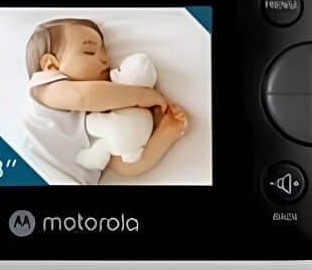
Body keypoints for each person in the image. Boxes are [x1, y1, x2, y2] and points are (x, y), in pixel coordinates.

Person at [21, 17, 188, 185]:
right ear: (51, 65)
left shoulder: (95, 118)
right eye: (89, 52)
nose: (105, 60)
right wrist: (140, 96)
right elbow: (83, 96)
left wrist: (165, 132)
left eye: (105, 52)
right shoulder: (43, 88)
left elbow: (127, 165)